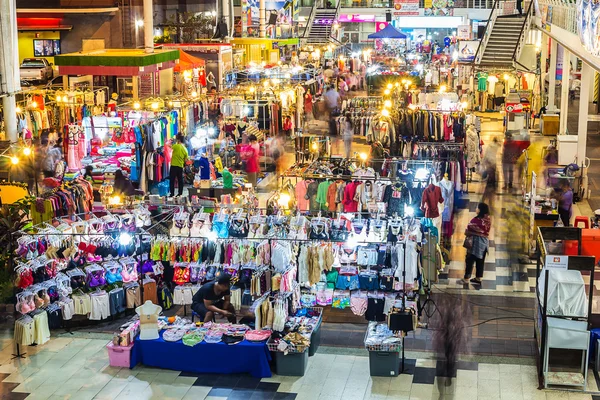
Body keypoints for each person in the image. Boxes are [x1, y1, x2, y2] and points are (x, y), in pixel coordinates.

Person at [461, 203, 491, 285]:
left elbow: (469, 227)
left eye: (477, 208)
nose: (476, 209)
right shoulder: (488, 219)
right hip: (484, 243)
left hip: (475, 243)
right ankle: (479, 277)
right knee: (480, 260)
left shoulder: (476, 220)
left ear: (480, 210)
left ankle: (466, 278)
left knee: (470, 260)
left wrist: (467, 232)